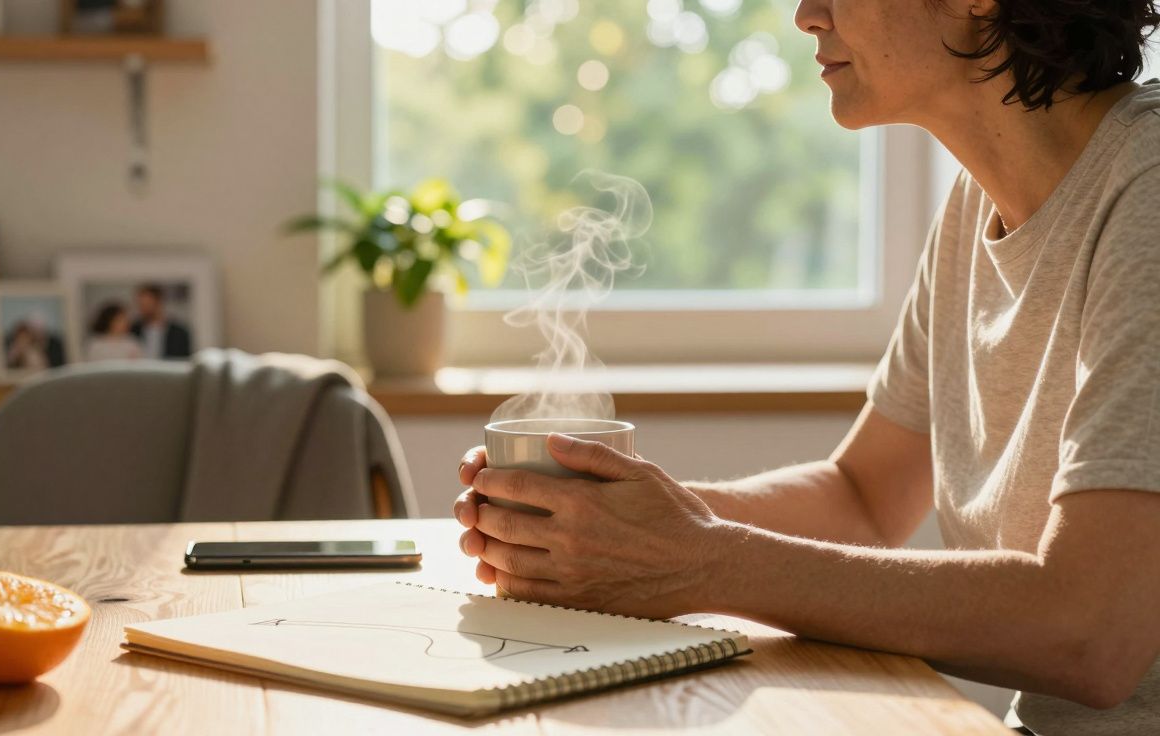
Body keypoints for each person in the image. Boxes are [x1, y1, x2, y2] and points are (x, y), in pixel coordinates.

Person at [453, 2, 1160, 734]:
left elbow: (1093, 630)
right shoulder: (977, 202)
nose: (805, 14)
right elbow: (861, 497)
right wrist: (611, 524)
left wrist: (697, 560)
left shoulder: (1149, 188)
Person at [130, 283, 191, 359]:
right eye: (141, 305)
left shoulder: (179, 333)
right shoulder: (134, 330)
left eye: (147, 304)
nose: (143, 309)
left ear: (158, 302)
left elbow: (184, 360)